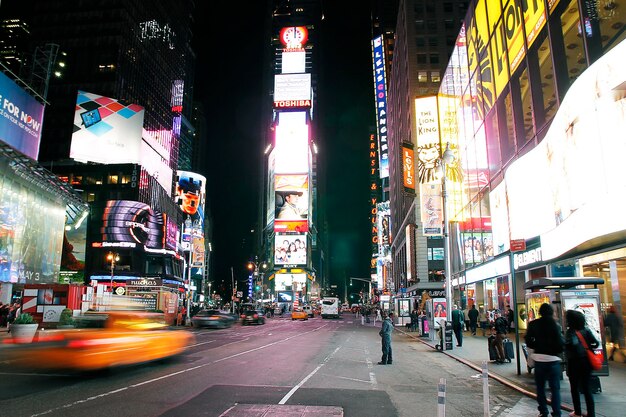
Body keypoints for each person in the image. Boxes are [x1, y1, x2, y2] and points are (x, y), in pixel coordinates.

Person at [525, 303, 565, 417]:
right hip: (553, 359)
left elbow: (528, 341)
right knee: (555, 388)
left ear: (540, 312)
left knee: (540, 387)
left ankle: (543, 411)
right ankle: (556, 412)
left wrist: (537, 345)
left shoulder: (533, 324)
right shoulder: (555, 325)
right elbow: (560, 343)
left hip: (539, 359)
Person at [565, 309, 598, 417]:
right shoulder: (586, 330)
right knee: (587, 388)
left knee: (574, 388)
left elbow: (572, 344)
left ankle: (577, 412)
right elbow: (596, 343)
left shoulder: (570, 332)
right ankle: (591, 413)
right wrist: (588, 348)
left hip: (574, 362)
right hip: (586, 362)